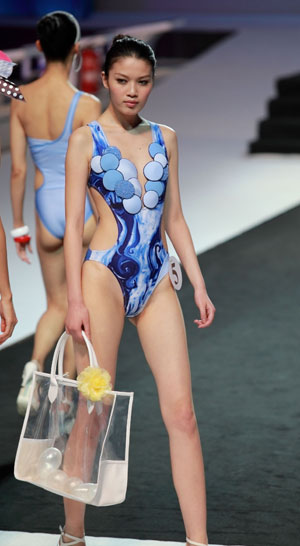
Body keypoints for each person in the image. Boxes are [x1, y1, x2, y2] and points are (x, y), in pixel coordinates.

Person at [63, 35, 215, 546]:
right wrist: (75, 302)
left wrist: (197, 282)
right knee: (93, 407)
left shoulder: (165, 138)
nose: (133, 92)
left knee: (183, 414)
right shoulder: (85, 139)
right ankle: (73, 533)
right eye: (123, 81)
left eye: (143, 82)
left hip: (154, 278)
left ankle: (198, 541)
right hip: (102, 275)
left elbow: (173, 217)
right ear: (104, 79)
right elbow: (71, 229)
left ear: (153, 82)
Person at [9, 11, 101, 415]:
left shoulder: (21, 98)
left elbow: (17, 169)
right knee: (81, 307)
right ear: (77, 50)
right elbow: (100, 172)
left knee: (56, 304)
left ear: (41, 47)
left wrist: (19, 227)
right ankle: (65, 402)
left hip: (45, 210)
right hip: (81, 214)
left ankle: (34, 365)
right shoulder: (88, 105)